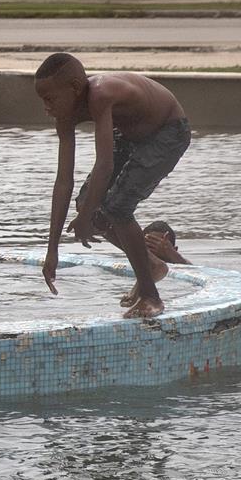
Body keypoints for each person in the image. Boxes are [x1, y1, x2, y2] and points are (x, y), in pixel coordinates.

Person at [35, 52, 191, 318]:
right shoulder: (64, 114)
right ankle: (151, 266)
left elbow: (104, 165)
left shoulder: (100, 94)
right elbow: (63, 182)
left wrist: (85, 220)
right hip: (133, 135)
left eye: (50, 99)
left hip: (168, 131)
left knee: (117, 208)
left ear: (74, 88)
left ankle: (151, 297)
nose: (46, 107)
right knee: (88, 203)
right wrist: (52, 250)